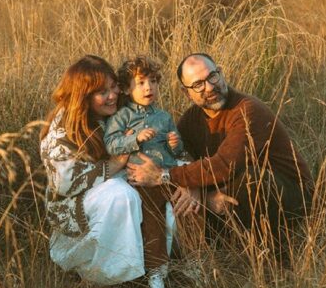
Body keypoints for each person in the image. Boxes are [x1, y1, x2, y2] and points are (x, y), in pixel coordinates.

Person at [126, 52, 314, 248]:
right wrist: (198, 190)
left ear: (221, 73)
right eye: (198, 84)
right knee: (178, 185)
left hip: (291, 197)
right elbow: (179, 158)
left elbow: (225, 166)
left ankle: (274, 254)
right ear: (186, 92)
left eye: (212, 76)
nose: (209, 87)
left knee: (247, 178)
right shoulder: (192, 119)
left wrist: (163, 176)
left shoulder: (248, 110)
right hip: (233, 196)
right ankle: (176, 259)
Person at [39, 55, 174, 288]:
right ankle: (101, 275)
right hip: (74, 203)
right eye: (102, 92)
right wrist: (116, 164)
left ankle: (150, 263)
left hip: (111, 182)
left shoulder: (116, 110)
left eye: (113, 87)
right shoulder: (62, 130)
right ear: (83, 95)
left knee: (152, 185)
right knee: (120, 195)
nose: (112, 95)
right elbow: (64, 183)